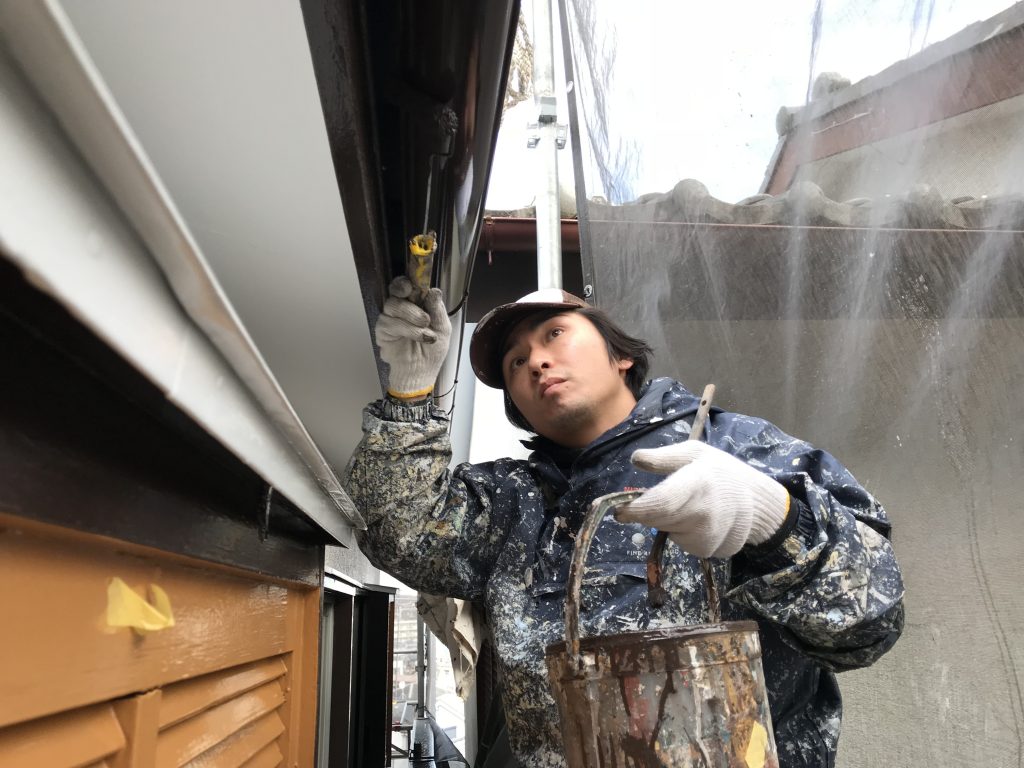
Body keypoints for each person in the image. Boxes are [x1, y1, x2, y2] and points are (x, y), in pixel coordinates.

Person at [345, 279, 905, 768]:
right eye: (516, 362)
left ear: (621, 357)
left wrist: (775, 521)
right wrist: (410, 394)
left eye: (555, 334)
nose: (536, 361)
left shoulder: (739, 449)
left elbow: (870, 626)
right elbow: (399, 532)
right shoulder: (515, 500)